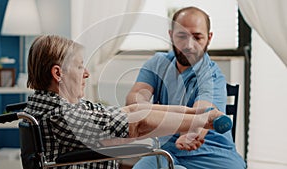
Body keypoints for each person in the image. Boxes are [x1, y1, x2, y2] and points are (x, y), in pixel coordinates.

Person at [24, 35, 225, 169]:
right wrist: (200, 122)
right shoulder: (62, 115)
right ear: (58, 73)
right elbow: (138, 124)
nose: (86, 73)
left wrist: (196, 114)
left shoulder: (52, 105)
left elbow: (133, 110)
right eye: (79, 67)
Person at [126, 6, 246, 169]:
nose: (189, 45)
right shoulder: (158, 63)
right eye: (182, 36)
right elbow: (135, 98)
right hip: (167, 153)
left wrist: (190, 134)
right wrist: (142, 108)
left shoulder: (212, 76)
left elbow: (203, 113)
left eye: (197, 37)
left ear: (209, 38)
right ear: (171, 36)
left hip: (212, 157)